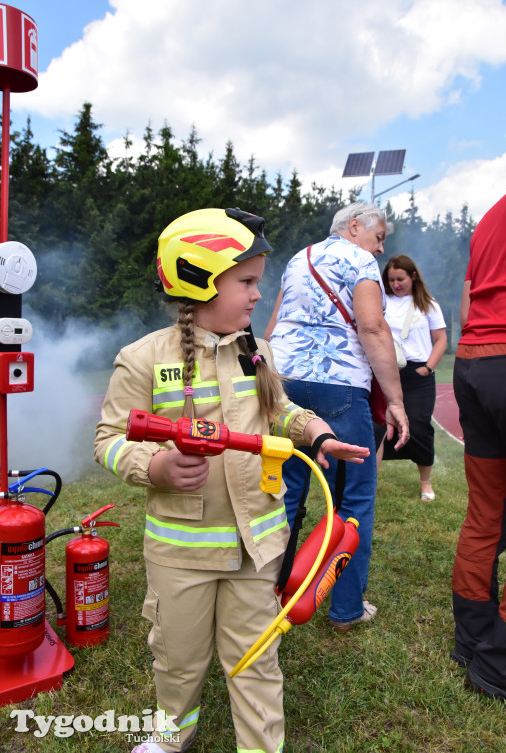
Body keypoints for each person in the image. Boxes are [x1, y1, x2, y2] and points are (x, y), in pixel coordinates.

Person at [94, 207, 370, 753]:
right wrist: (157, 466)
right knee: (178, 659)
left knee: (257, 660)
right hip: (181, 554)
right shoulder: (143, 359)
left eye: (257, 284)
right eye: (246, 282)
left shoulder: (256, 351)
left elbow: (281, 410)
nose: (256, 297)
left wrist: (317, 434)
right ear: (198, 277)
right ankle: (171, 737)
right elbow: (108, 440)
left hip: (257, 548)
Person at [265, 201, 409, 634]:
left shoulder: (298, 258)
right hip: (339, 387)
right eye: (379, 237)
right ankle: (345, 607)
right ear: (354, 227)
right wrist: (397, 402)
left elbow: (273, 328)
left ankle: (267, 598)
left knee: (286, 495)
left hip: (284, 383)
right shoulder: (359, 259)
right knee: (354, 500)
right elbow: (372, 327)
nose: (381, 249)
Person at [451, 189, 506, 702]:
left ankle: (471, 639)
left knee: (486, 512)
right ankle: (503, 662)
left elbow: (470, 297)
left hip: (476, 357)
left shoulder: (492, 212)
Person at [376, 255, 447, 501]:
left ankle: (425, 483)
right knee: (379, 427)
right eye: (391, 279)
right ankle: (370, 481)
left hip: (418, 375)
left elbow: (441, 340)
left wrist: (427, 368)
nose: (396, 284)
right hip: (385, 371)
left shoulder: (428, 304)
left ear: (413, 276)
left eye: (401, 279)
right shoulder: (380, 301)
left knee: (419, 426)